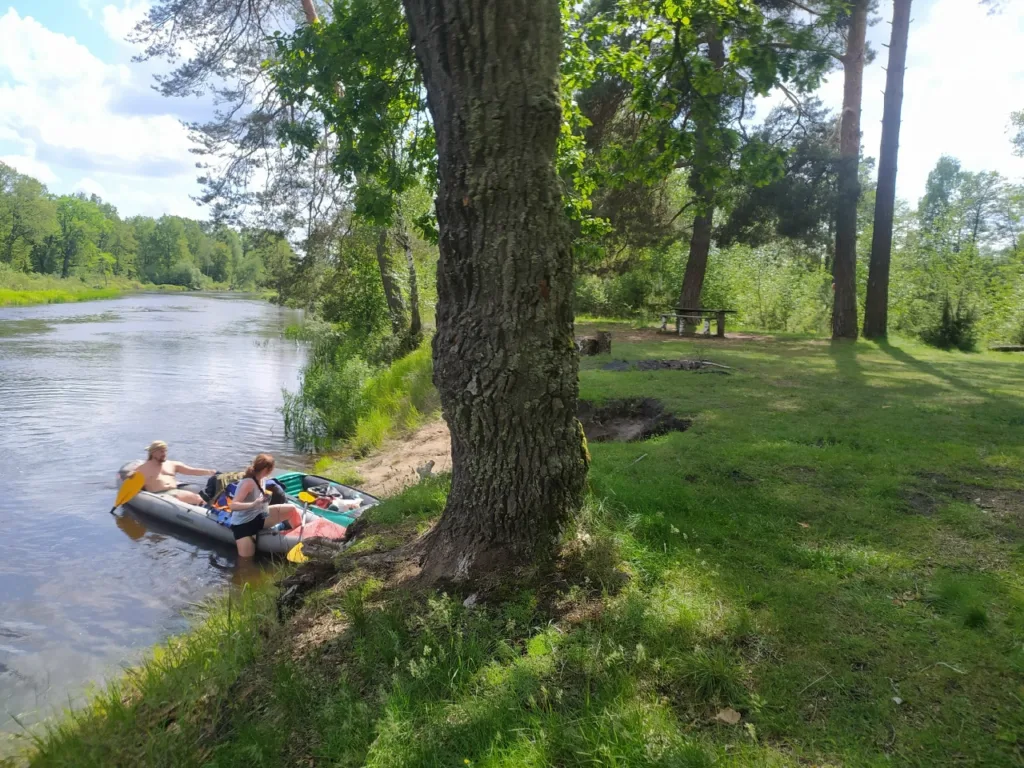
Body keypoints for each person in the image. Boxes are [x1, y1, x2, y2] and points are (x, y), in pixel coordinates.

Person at [229, 453, 300, 557]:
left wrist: (264, 504)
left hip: (259, 517)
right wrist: (253, 504)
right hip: (243, 525)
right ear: (267, 469)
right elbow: (233, 506)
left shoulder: (262, 479)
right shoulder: (248, 483)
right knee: (246, 562)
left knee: (292, 510)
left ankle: (298, 537)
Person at [138, 440, 215, 506]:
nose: (164, 453)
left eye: (165, 451)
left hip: (174, 492)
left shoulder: (172, 464)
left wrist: (210, 472)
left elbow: (192, 471)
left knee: (199, 496)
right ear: (153, 453)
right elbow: (134, 483)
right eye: (161, 451)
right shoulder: (143, 468)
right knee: (189, 500)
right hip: (158, 497)